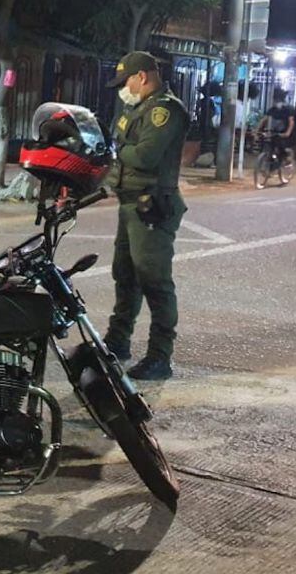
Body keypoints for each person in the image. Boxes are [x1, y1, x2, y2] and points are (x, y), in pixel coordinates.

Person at [103, 51, 190, 381]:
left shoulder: (165, 111)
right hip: (129, 204)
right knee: (124, 274)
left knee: (155, 282)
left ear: (142, 76)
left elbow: (145, 155)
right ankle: (118, 340)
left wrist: (116, 149)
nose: (124, 87)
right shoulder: (136, 107)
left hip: (152, 207)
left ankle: (159, 356)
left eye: (127, 80)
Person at [255, 88, 295, 159]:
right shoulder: (272, 110)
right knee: (266, 142)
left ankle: (286, 159)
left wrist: (287, 133)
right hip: (272, 132)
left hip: (282, 133)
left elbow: (291, 122)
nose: (276, 102)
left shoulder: (287, 110)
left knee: (281, 146)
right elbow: (263, 120)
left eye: (277, 100)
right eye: (275, 100)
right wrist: (257, 131)